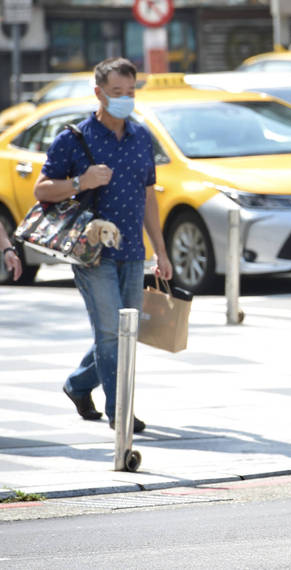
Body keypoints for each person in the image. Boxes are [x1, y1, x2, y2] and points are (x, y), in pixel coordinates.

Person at [33, 57, 173, 433]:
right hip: (91, 254)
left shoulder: (142, 136)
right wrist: (82, 182)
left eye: (130, 92)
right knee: (111, 333)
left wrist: (160, 249)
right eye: (117, 93)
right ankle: (120, 412)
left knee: (124, 334)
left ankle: (78, 385)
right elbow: (42, 190)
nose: (125, 98)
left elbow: (148, 195)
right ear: (98, 93)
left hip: (133, 252)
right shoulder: (74, 138)